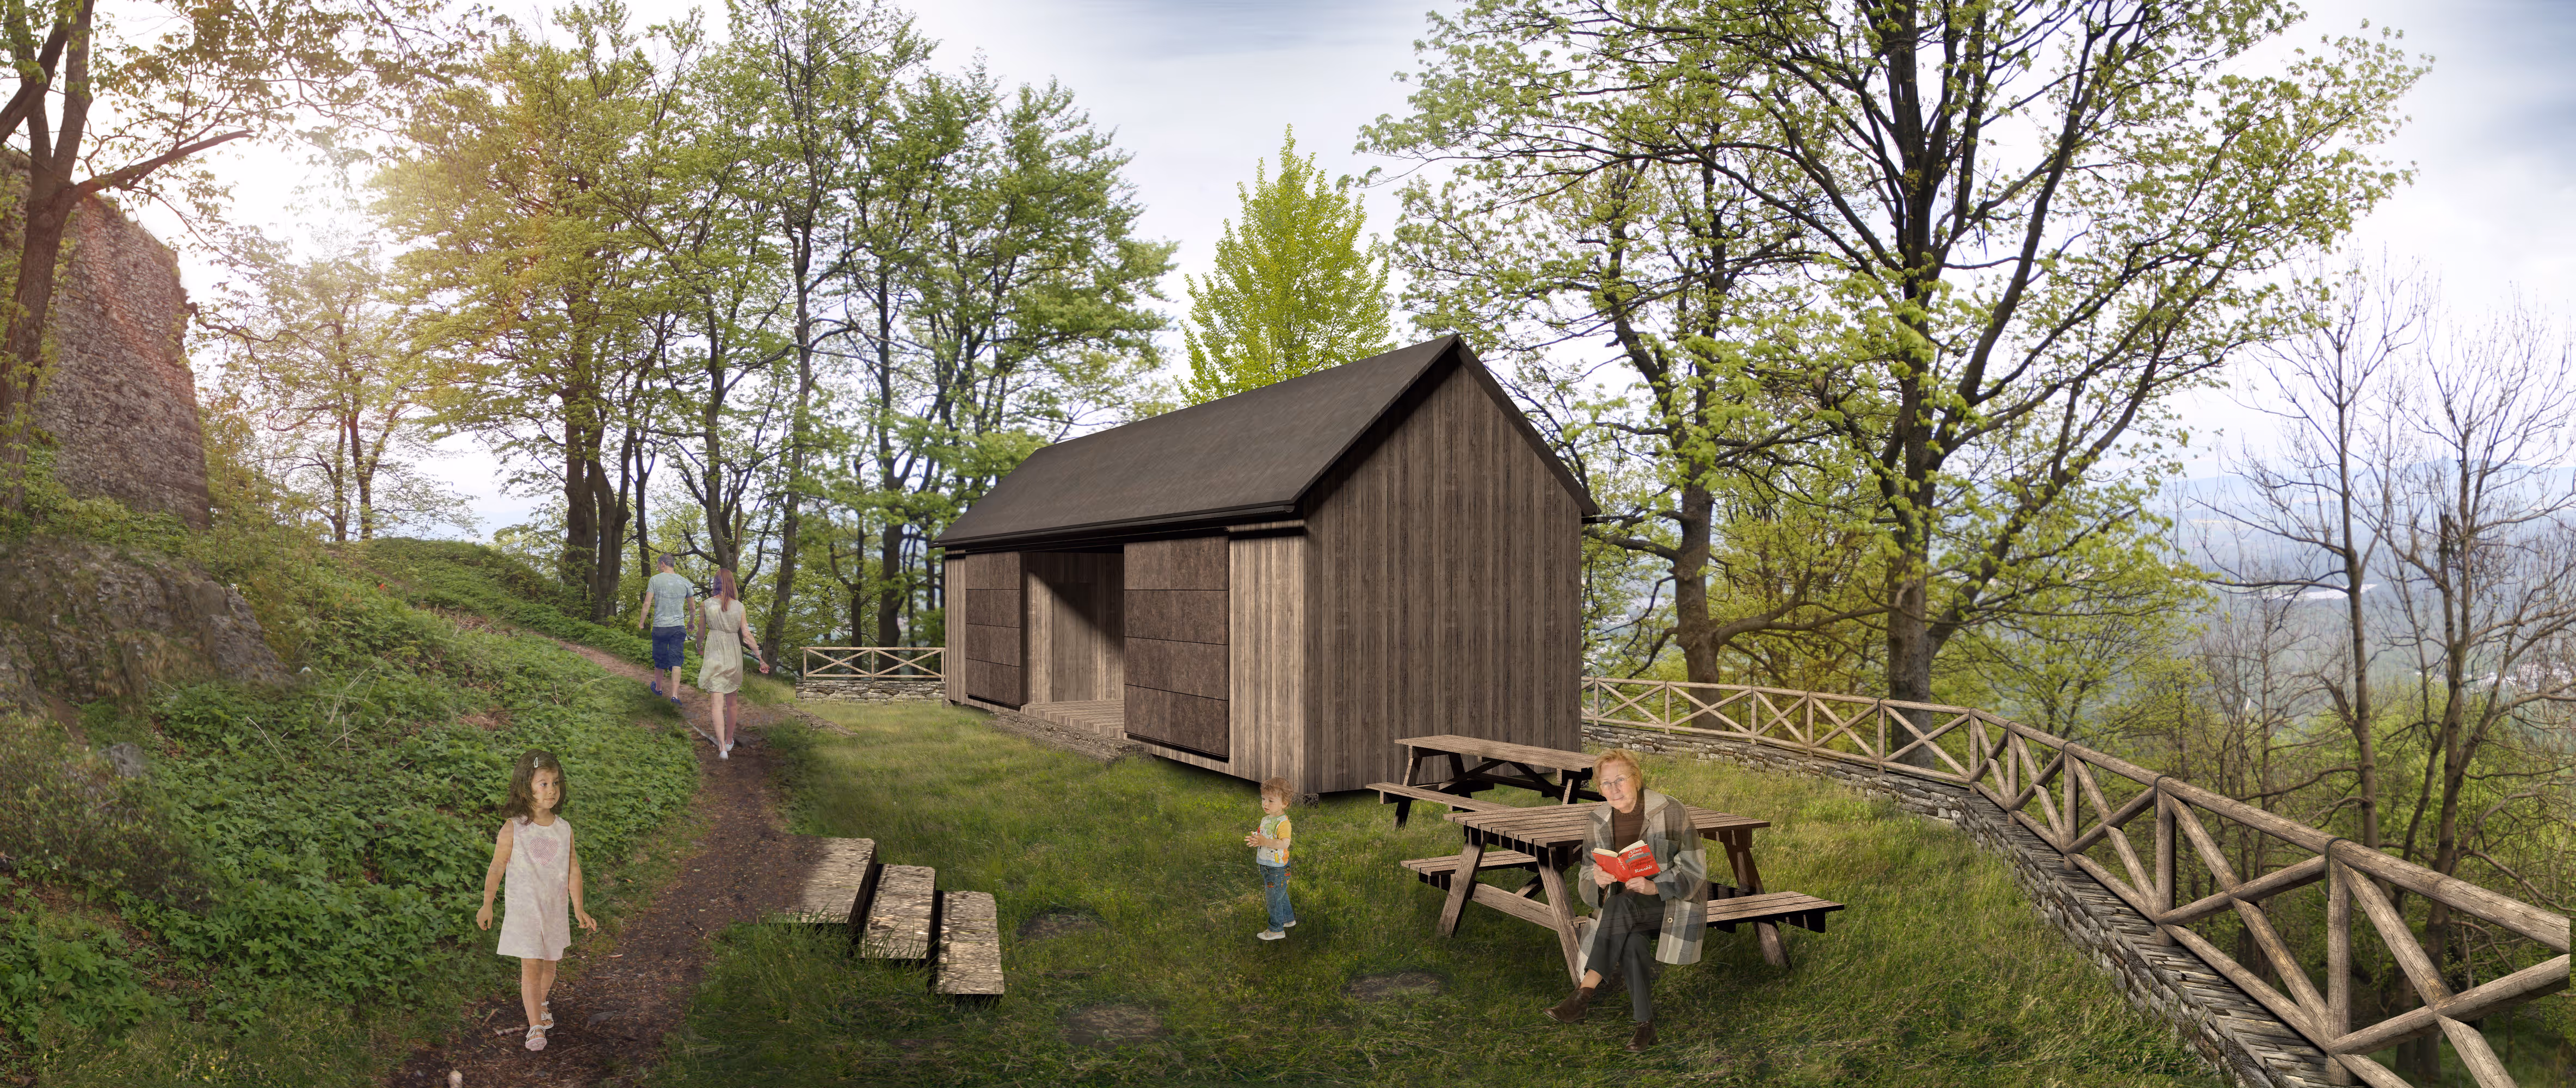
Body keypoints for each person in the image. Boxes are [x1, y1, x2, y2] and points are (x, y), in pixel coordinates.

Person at [1544, 749, 1706, 1051]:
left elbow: (1695, 871)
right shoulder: (1597, 820)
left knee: (1621, 907)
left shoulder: (1670, 811)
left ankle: (1584, 994)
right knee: (1630, 937)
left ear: (1637, 779)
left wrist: (1654, 887)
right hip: (1625, 913)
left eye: (1620, 780)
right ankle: (1646, 1027)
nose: (1614, 789)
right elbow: (1585, 881)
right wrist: (1599, 882)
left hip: (1671, 904)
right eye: (1606, 783)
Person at [475, 750, 598, 1052]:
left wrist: (579, 908)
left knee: (550, 962)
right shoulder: (514, 828)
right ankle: (535, 1026)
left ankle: (542, 1001)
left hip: (554, 909)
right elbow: (497, 866)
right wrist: (487, 903)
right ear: (524, 787)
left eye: (555, 783)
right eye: (543, 784)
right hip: (525, 911)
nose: (552, 790)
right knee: (531, 966)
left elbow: (573, 870)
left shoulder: (564, 828)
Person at [695, 567, 769, 759]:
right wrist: (760, 658)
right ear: (732, 584)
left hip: (714, 651)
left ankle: (721, 749)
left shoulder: (706, 604)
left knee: (716, 703)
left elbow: (701, 632)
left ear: (715, 583)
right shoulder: (740, 606)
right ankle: (729, 741)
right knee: (732, 701)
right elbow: (746, 635)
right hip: (733, 652)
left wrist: (698, 645)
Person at [634, 552, 695, 708]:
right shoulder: (685, 582)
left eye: (658, 564)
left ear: (663, 564)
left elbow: (647, 604)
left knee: (660, 658)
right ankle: (675, 697)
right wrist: (691, 621)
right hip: (678, 627)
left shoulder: (655, 580)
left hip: (660, 627)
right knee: (677, 660)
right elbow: (692, 607)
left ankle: (659, 688)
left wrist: (642, 623)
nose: (657, 567)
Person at [1243, 776, 1297, 939]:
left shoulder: (1283, 823)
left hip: (1277, 869)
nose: (1265, 804)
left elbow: (1285, 843)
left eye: (1271, 801)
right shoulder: (1267, 819)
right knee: (1281, 894)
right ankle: (1288, 919)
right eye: (1263, 799)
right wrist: (1256, 838)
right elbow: (1264, 835)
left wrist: (1265, 841)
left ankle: (1276, 930)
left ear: (1284, 804)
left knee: (1273, 899)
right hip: (1268, 866)